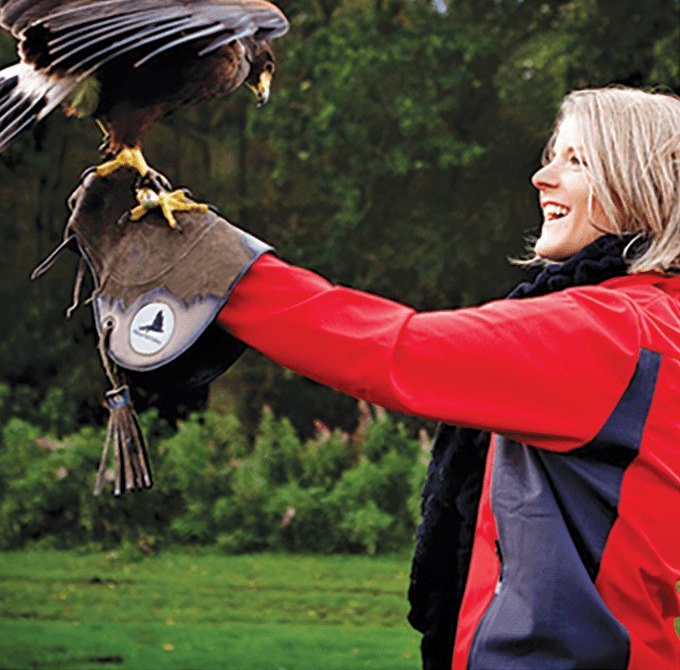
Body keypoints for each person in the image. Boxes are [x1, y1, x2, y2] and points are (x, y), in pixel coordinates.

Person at [207, 86, 679, 669]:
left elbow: (393, 350)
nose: (541, 177)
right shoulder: (659, 322)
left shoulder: (608, 332)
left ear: (641, 183)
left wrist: (222, 274)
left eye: (576, 160)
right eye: (552, 154)